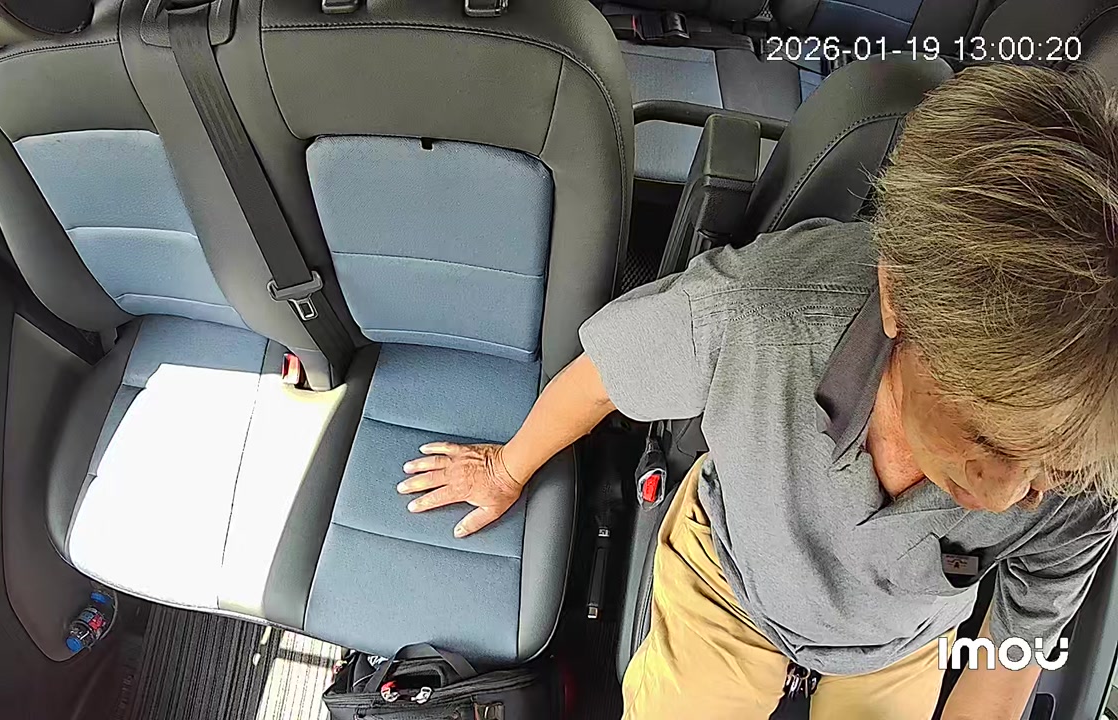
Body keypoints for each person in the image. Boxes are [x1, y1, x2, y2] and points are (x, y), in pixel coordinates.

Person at [395, 62, 1118, 720]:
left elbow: (1018, 646)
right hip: (732, 581)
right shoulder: (756, 312)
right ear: (897, 300)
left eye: (1053, 470)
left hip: (901, 639)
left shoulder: (1096, 455)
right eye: (988, 439)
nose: (1010, 495)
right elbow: (605, 377)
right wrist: (506, 467)